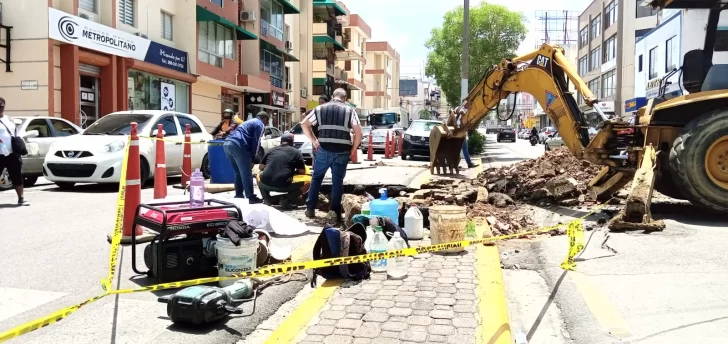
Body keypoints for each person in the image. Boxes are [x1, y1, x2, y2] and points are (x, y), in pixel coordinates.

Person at [301, 89, 363, 224]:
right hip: (342, 151)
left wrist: (314, 140)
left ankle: (310, 208)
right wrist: (353, 149)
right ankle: (335, 212)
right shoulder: (349, 110)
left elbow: (304, 124)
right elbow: (358, 132)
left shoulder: (319, 109)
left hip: (323, 149)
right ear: (344, 98)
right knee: (337, 181)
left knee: (317, 178)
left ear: (332, 97)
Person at [223, 111, 269, 203]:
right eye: (267, 121)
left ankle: (239, 195)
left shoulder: (248, 122)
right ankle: (251, 197)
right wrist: (253, 159)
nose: (267, 123)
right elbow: (256, 142)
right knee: (246, 173)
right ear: (264, 118)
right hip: (239, 146)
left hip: (227, 144)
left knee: (238, 173)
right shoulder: (260, 124)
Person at [257, 133, 311, 209]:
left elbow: (261, 167)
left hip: (266, 184)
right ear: (292, 142)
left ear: (281, 141)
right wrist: (293, 172)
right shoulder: (296, 152)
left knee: (258, 175)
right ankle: (286, 200)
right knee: (308, 182)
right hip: (284, 185)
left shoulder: (271, 150)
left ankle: (266, 199)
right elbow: (302, 171)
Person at [0, 97, 26, 205]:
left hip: (12, 153)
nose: (1, 108)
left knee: (16, 176)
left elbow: (16, 132)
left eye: (2, 106)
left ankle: (21, 198)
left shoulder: (9, 119)